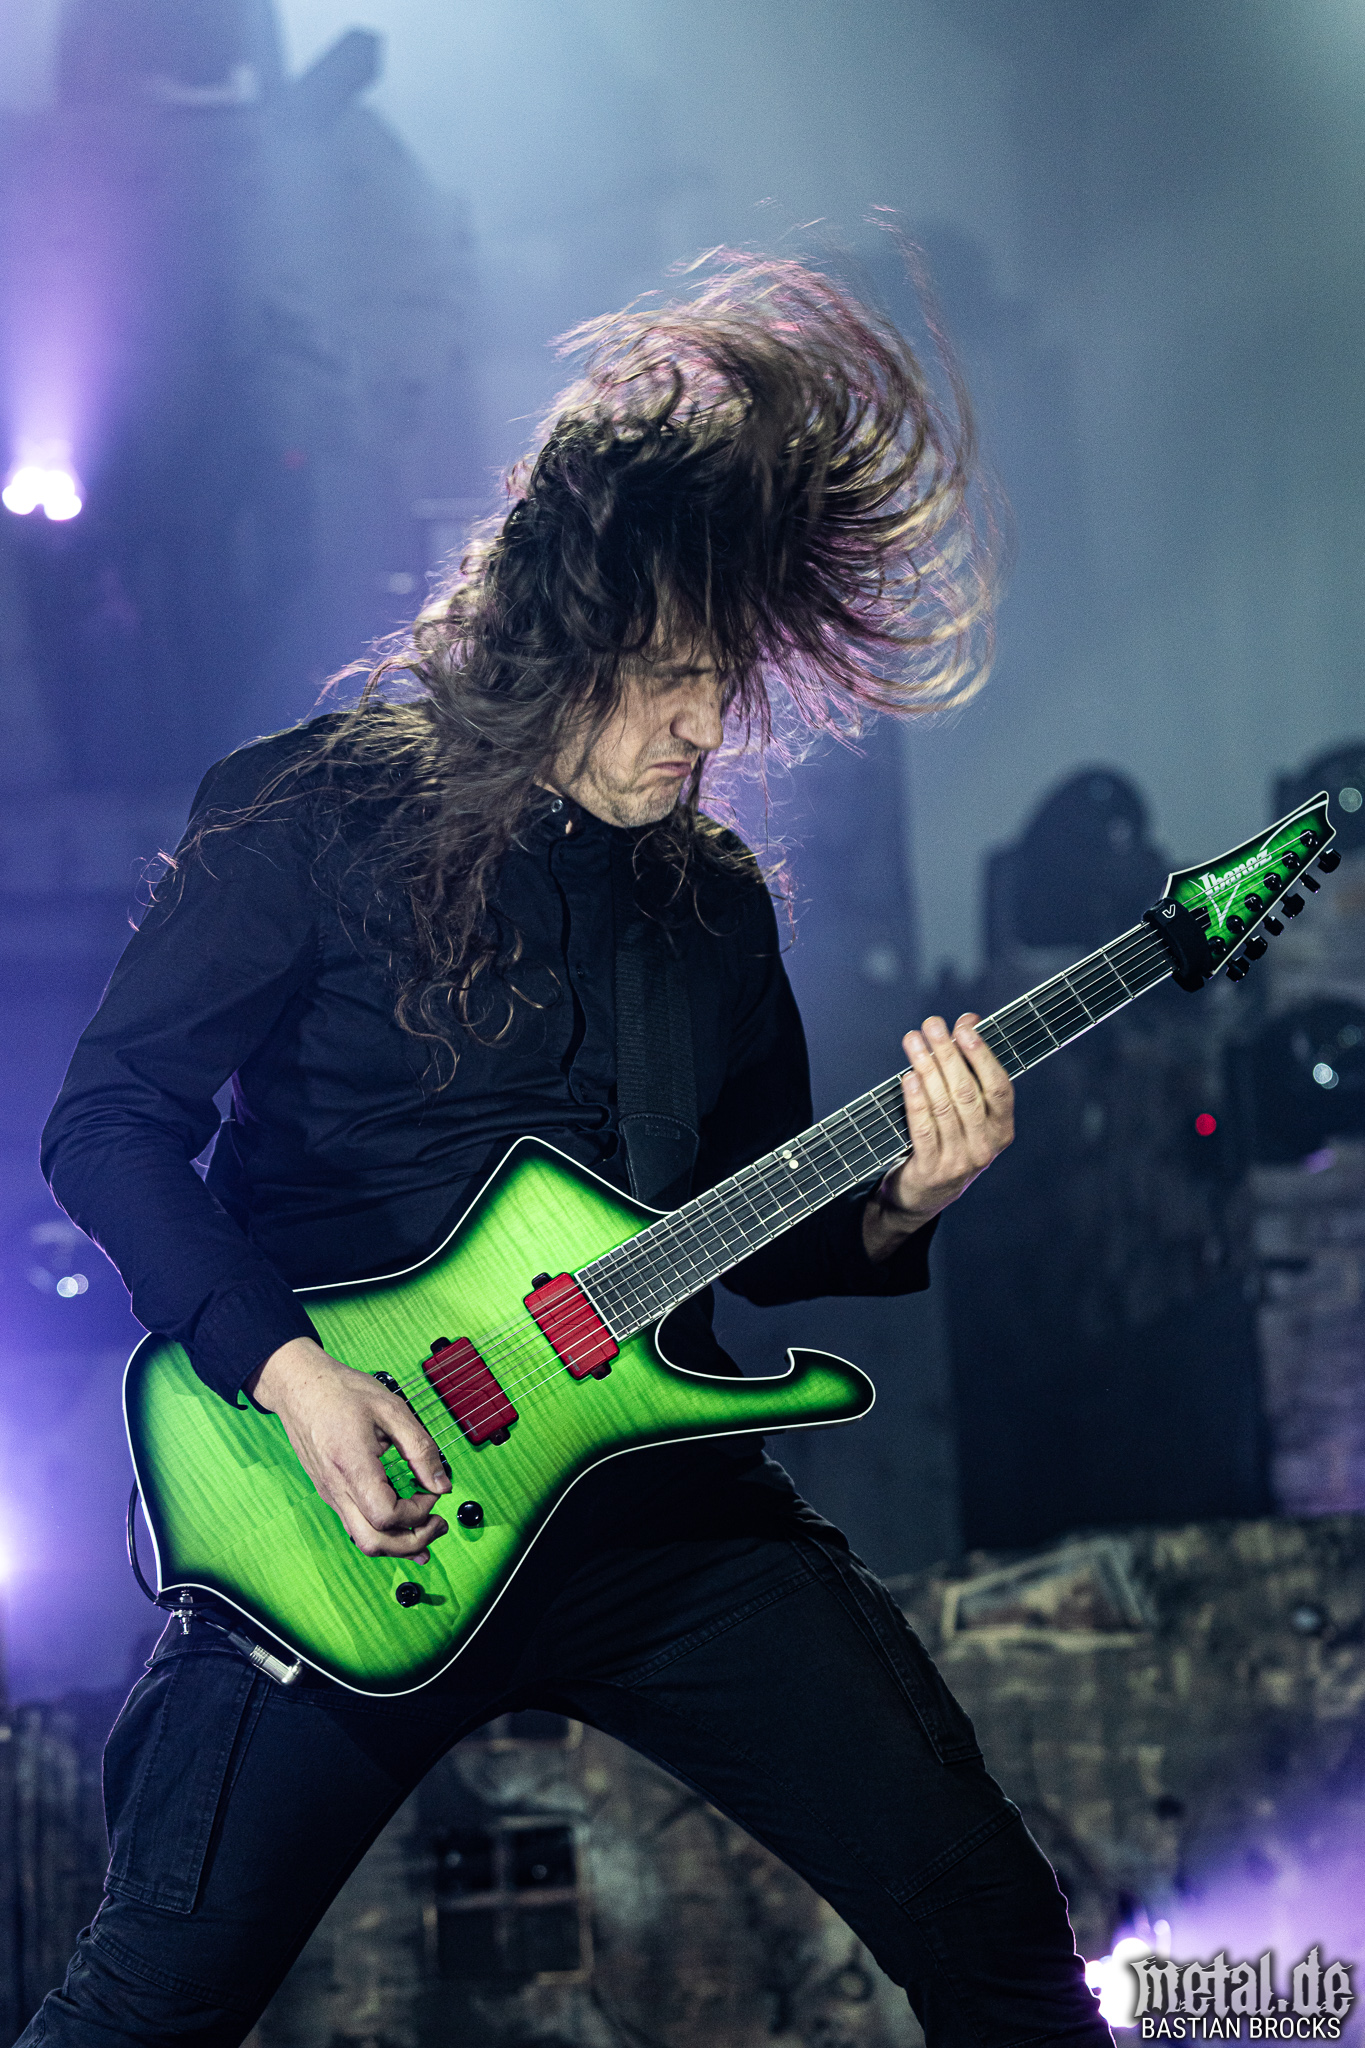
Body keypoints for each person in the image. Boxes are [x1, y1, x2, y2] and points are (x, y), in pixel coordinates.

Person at [24, 257, 1112, 2048]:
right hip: (347, 1509)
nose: (706, 725)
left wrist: (907, 1199)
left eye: (725, 680)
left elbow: (760, 1219)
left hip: (655, 1525)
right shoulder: (308, 810)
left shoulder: (709, 900)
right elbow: (110, 1122)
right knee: (149, 2004)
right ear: (553, 641)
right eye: (670, 678)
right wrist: (291, 1373)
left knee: (992, 1923)